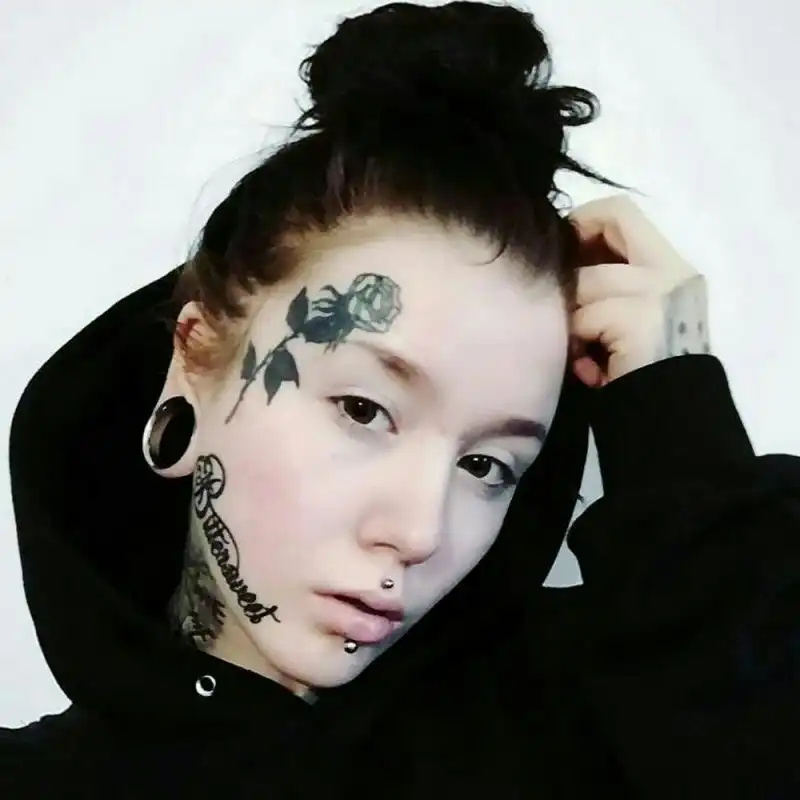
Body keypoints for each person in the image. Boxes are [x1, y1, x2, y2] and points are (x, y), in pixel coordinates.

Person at [2, 2, 798, 798]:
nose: (420, 532)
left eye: (487, 465)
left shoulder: (610, 732)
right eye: (363, 410)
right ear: (196, 359)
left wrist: (679, 427)